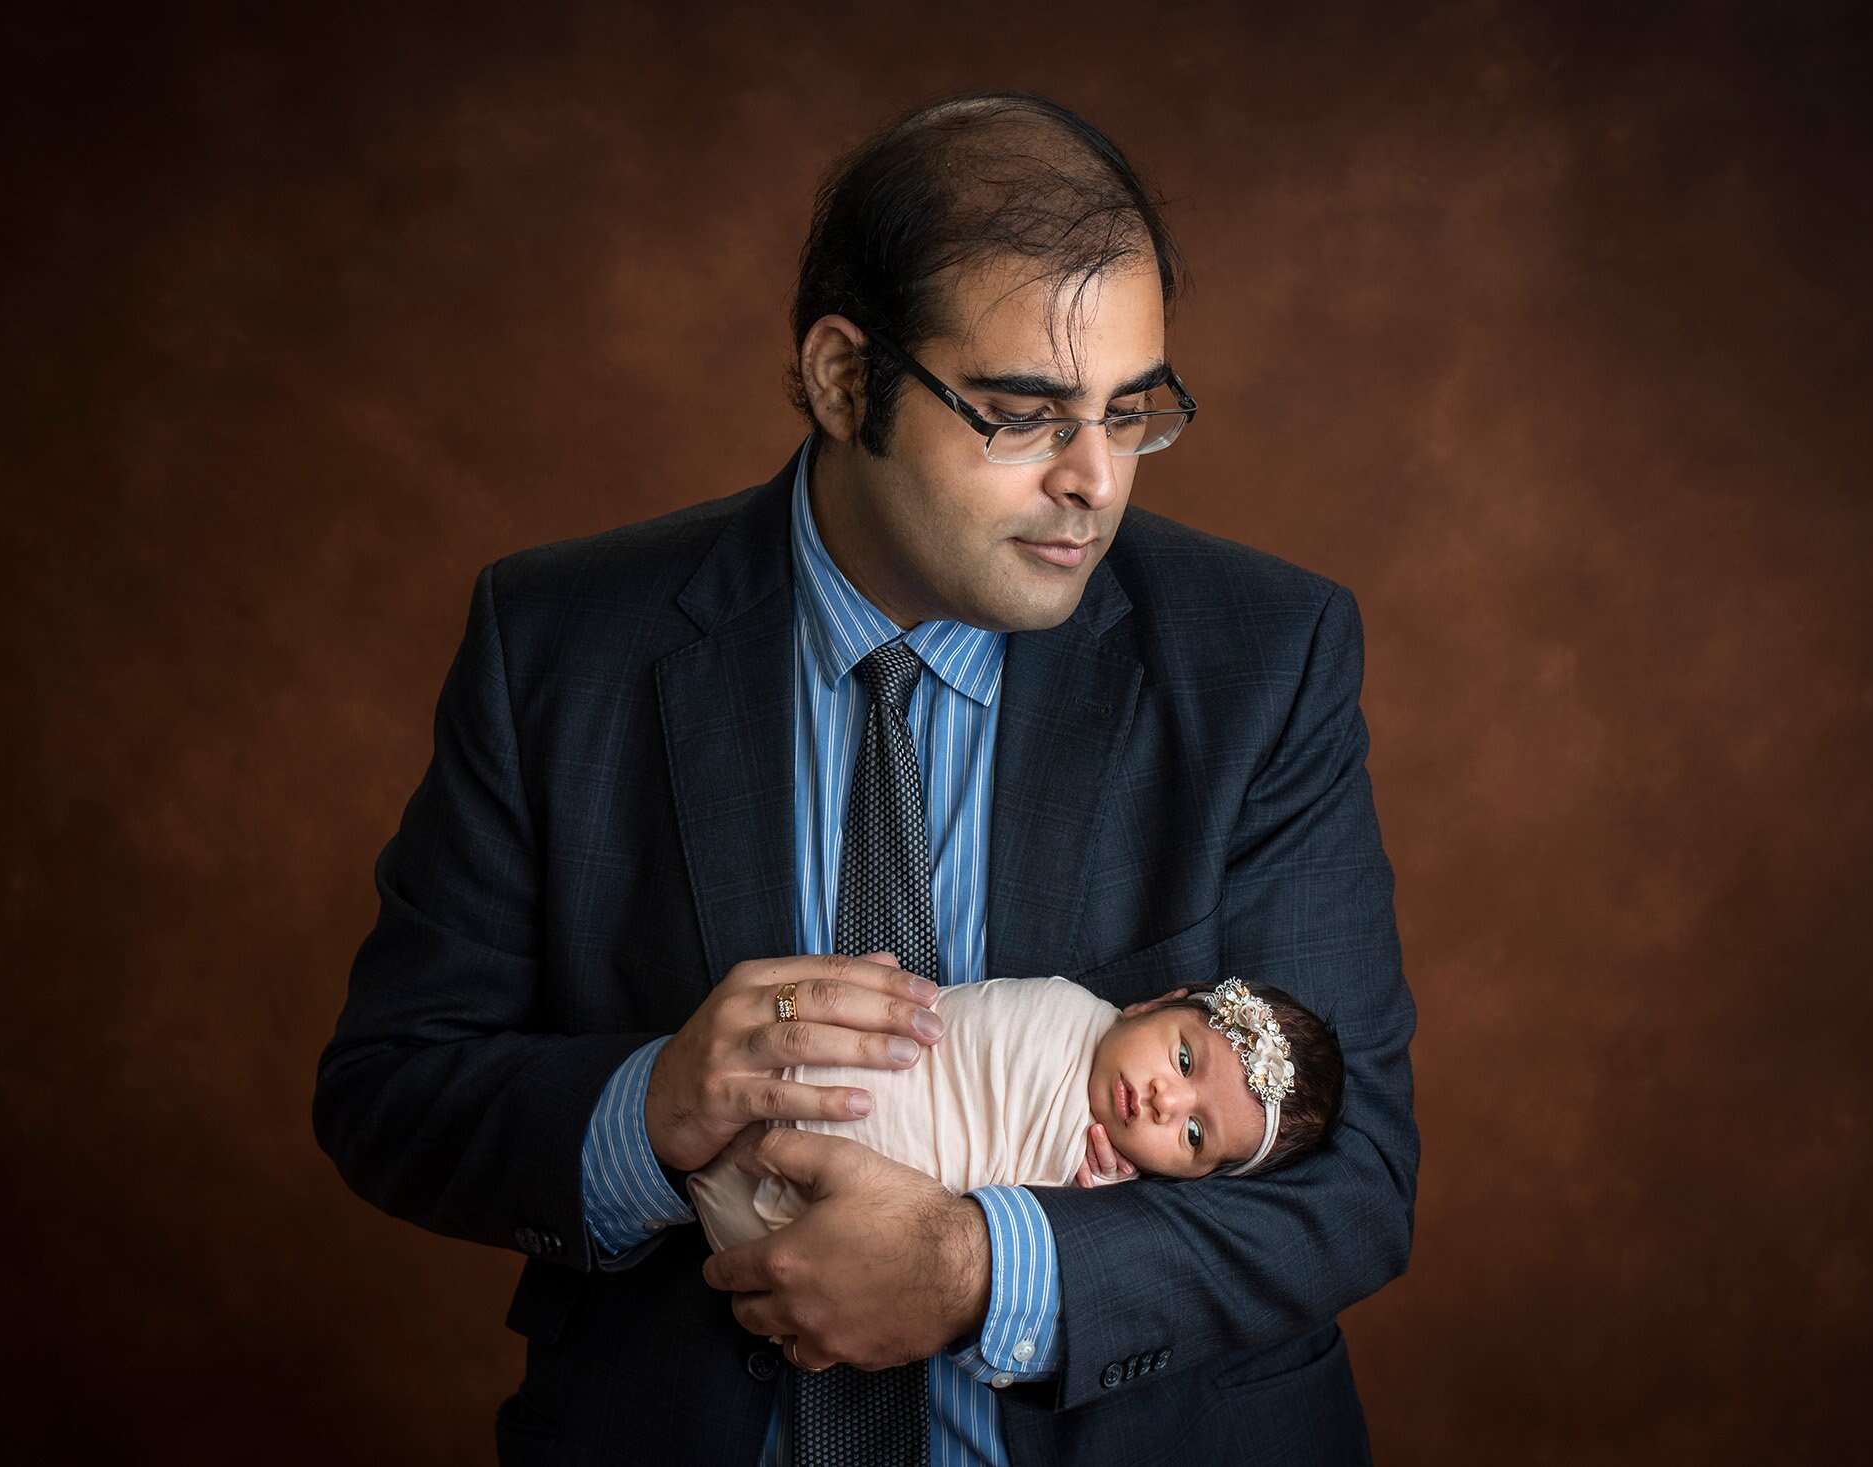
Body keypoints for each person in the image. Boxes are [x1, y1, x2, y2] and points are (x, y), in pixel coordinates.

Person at [313, 88, 1418, 1466]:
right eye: (1023, 413)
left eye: (1130, 411)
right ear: (845, 380)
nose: (1097, 480)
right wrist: (650, 1106)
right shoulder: (554, 643)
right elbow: (393, 1089)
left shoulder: (1263, 656)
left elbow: (1353, 1179)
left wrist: (978, 1268)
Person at [687, 972, 1347, 1255]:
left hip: (810, 1231)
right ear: (1152, 1004)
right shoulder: (1060, 1005)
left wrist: (1084, 1202)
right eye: (1182, 1059)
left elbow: (1001, 1228)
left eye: (1193, 1134)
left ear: (1191, 1178)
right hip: (799, 1077)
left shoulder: (1101, 1184)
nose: (1163, 1101)